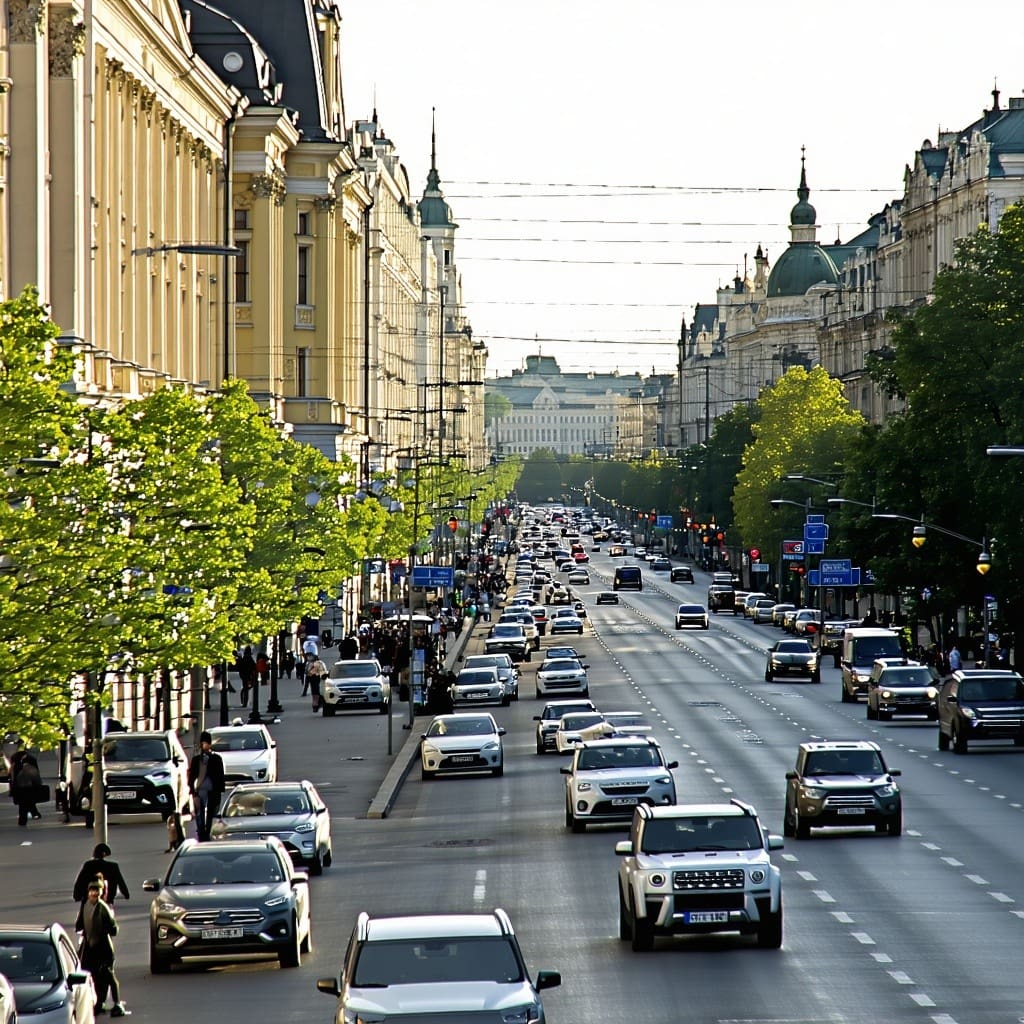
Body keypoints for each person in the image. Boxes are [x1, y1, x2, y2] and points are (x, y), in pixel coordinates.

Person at [75, 878, 128, 1016]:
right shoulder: (85, 905)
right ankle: (99, 1003)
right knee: (93, 977)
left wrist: (106, 928)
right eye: (92, 890)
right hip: (91, 949)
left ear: (101, 892)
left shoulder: (103, 908)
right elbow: (80, 924)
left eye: (97, 890)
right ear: (88, 892)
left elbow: (114, 929)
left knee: (109, 976)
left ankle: (117, 1004)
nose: (94, 893)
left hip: (104, 950)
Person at [187, 731, 225, 842]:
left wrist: (219, 791)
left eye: (206, 743)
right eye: (203, 743)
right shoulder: (196, 760)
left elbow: (220, 775)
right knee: (199, 812)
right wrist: (191, 790)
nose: (204, 746)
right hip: (199, 790)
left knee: (209, 813)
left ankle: (207, 832)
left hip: (212, 791)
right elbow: (192, 776)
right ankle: (201, 832)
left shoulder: (216, 759)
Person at [10, 748, 43, 827]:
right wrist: (38, 784)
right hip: (29, 786)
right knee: (28, 800)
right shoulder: (31, 761)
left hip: (19, 787)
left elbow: (12, 776)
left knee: (23, 803)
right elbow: (35, 774)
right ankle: (32, 814)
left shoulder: (15, 762)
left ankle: (23, 819)